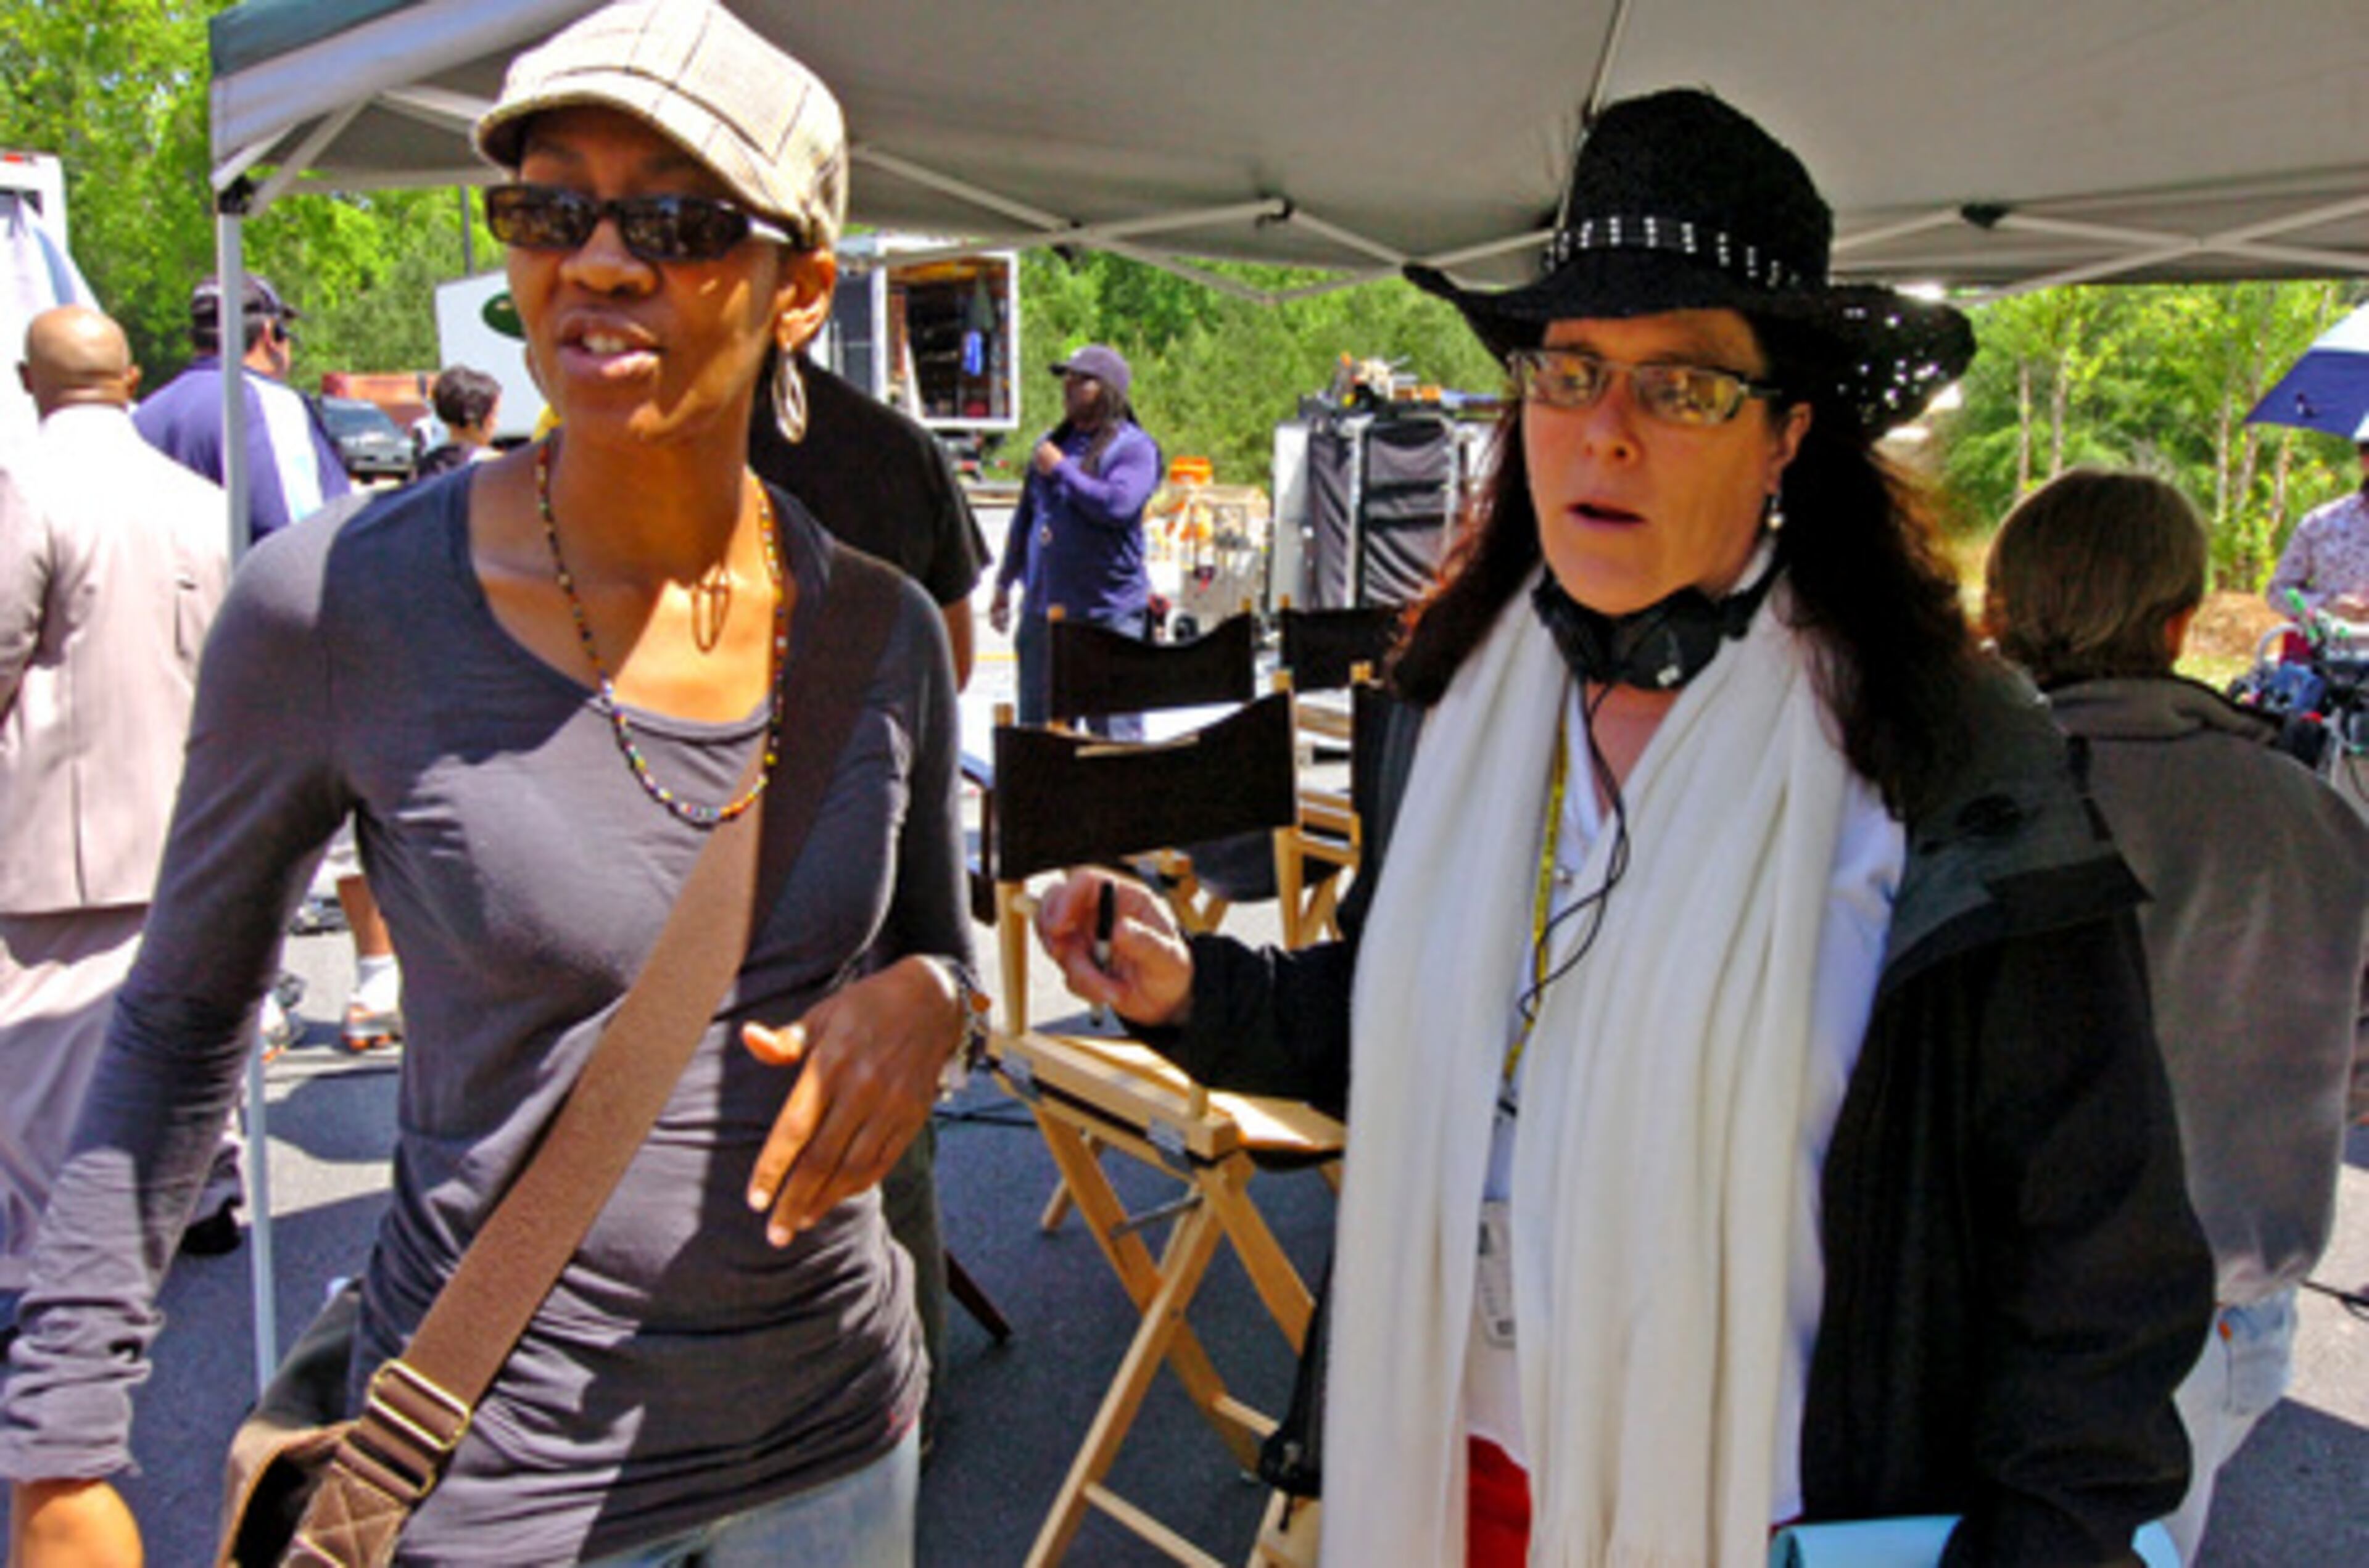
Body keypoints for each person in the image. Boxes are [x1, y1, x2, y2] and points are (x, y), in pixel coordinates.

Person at [1031, 89, 2210, 1564]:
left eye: (1682, 387)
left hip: (1760, 1515)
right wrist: (1197, 989)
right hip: (1448, 1482)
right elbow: (1406, 1023)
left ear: (1785, 434)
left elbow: (2102, 1282)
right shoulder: (1451, 709)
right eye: (1569, 370)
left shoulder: (1947, 765)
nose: (1605, 436)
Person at [1, 2, 975, 1562]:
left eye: (676, 218)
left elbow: (931, 943)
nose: (597, 260)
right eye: (548, 207)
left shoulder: (878, 631)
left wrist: (936, 994)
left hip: (837, 1447)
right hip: (500, 1480)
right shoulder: (336, 608)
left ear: (800, 289)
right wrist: (60, 1454)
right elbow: (181, 1020)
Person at [1983, 468, 2369, 1559]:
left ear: (1997, 611)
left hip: (1989, 1310)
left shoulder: (1945, 798)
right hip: (2218, 1322)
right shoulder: (2313, 816)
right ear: (2180, 622)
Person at [0, 307, 233, 1321]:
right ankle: (208, 1194)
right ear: (132, 378)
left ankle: (54, 1271)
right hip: (191, 814)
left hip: (63, 823)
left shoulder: (27, 490)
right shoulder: (196, 496)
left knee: (46, 1053)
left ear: (25, 380)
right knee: (187, 1017)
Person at [751, 345, 989, 688]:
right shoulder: (906, 450)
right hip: (879, 730)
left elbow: (952, 658)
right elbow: (951, 665)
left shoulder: (674, 453)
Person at [988, 343, 1159, 737]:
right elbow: (1027, 517)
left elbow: (1117, 506)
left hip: (1108, 617)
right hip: (1044, 616)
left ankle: (1115, 801)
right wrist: (1004, 582)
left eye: (1082, 380)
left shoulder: (1133, 448)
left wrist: (1062, 470)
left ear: (1109, 390)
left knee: (1113, 743)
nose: (1069, 386)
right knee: (1041, 741)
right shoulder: (1053, 444)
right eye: (1067, 378)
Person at [131, 271, 349, 547]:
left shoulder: (145, 414)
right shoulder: (272, 407)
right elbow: (304, 537)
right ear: (271, 334)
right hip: (249, 586)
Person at [2266, 437, 2369, 621]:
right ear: (2365, 460)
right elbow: (2278, 592)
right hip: (2334, 647)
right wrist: (2326, 605)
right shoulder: (2322, 523)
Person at [411, 363, 504, 480]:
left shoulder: (425, 465)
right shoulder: (491, 466)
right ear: (475, 419)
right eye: (494, 415)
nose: (496, 423)